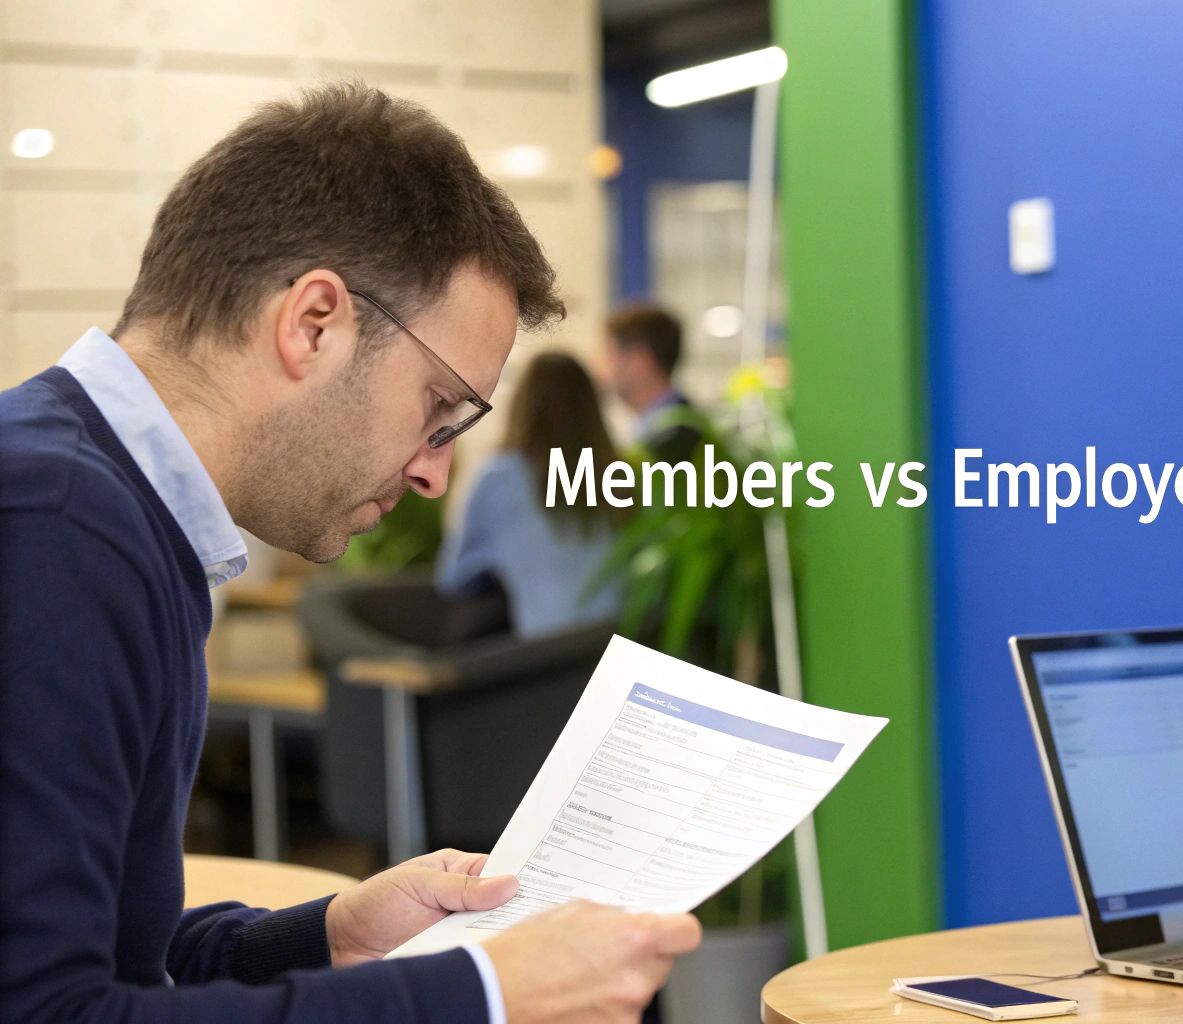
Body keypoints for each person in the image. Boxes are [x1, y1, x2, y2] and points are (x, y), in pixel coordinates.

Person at [0, 82, 699, 1023]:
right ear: (314, 324)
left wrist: (328, 938)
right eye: (439, 408)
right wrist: (483, 994)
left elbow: (114, 962)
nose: (435, 475)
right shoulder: (55, 528)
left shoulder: (105, 511)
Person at [438, 350, 629, 637]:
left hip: (546, 654)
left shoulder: (500, 477)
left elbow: (454, 579)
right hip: (621, 648)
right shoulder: (620, 475)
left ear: (523, 405)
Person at [601, 303, 705, 462]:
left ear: (640, 361)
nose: (600, 368)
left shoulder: (673, 438)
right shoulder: (663, 426)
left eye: (609, 356)